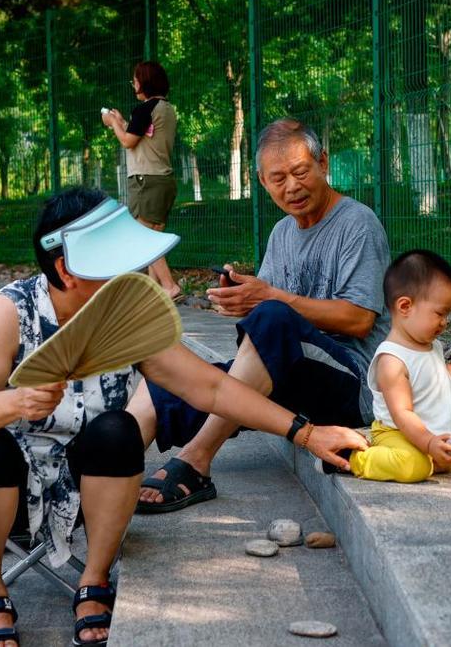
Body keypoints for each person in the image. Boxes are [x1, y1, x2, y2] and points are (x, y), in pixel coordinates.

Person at [0, 186, 366, 647]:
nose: (135, 274)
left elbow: (212, 387)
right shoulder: (13, 310)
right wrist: (15, 403)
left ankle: (94, 581)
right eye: (119, 263)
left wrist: (306, 433)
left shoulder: (124, 318)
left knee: (118, 430)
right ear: (66, 268)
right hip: (6, 494)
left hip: (87, 494)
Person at [134, 117, 391, 513]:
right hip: (293, 376)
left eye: (301, 172)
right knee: (170, 381)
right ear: (261, 180)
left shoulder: (357, 224)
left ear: (324, 162)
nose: (292, 186)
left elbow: (358, 320)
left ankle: (196, 459)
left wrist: (268, 298)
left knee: (272, 317)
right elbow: (269, 328)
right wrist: (244, 300)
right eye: (278, 178)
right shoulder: (282, 234)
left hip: (353, 384)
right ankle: (100, 485)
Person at [334, 249, 451, 483]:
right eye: (440, 313)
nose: (445, 322)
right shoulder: (391, 361)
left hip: (442, 430)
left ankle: (436, 458)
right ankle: (352, 457)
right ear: (405, 306)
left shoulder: (430, 345)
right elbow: (402, 413)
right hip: (399, 432)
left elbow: (440, 377)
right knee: (412, 467)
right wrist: (427, 442)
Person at [101, 60, 181, 301]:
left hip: (146, 180)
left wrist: (113, 123)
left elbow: (127, 141)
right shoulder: (165, 109)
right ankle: (153, 293)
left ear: (144, 82)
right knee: (153, 238)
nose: (133, 84)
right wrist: (123, 122)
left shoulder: (145, 109)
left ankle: (169, 286)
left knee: (144, 239)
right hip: (164, 180)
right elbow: (142, 136)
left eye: (135, 80)